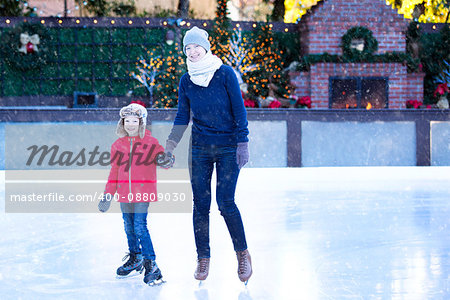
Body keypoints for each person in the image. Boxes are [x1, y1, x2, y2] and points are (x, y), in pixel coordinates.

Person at [164, 26, 252, 283]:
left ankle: (243, 254)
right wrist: (171, 143)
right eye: (187, 48)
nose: (192, 52)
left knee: (225, 202)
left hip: (227, 147)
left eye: (196, 46)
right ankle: (203, 258)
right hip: (200, 148)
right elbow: (183, 115)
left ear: (206, 47)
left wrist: (242, 141)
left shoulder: (224, 73)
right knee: (201, 205)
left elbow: (239, 108)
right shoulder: (186, 80)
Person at [98, 103, 169, 286]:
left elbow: (162, 159)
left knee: (139, 226)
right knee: (129, 227)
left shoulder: (150, 142)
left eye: (134, 121)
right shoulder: (118, 145)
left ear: (141, 122)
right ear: (122, 123)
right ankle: (135, 257)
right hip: (124, 194)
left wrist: (165, 159)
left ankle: (151, 264)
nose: (130, 124)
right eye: (127, 120)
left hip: (142, 193)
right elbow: (114, 172)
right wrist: (108, 194)